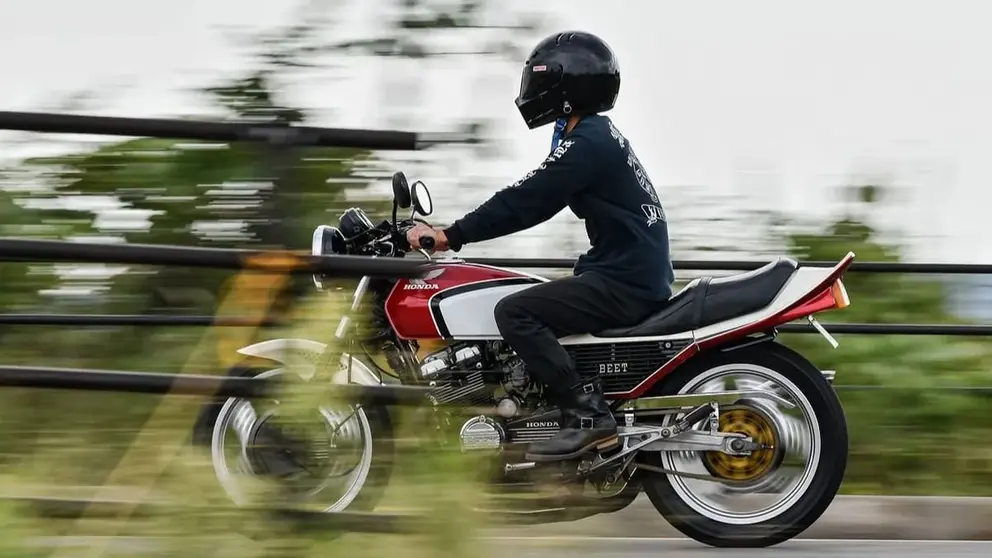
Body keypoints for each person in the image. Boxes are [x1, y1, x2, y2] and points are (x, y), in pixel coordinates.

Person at [406, 31, 675, 462]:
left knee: (516, 311)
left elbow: (530, 199)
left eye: (538, 79)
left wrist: (449, 235)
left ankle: (589, 418)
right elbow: (536, 193)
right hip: (625, 273)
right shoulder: (590, 135)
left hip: (624, 281)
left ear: (566, 87)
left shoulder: (588, 142)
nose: (531, 89)